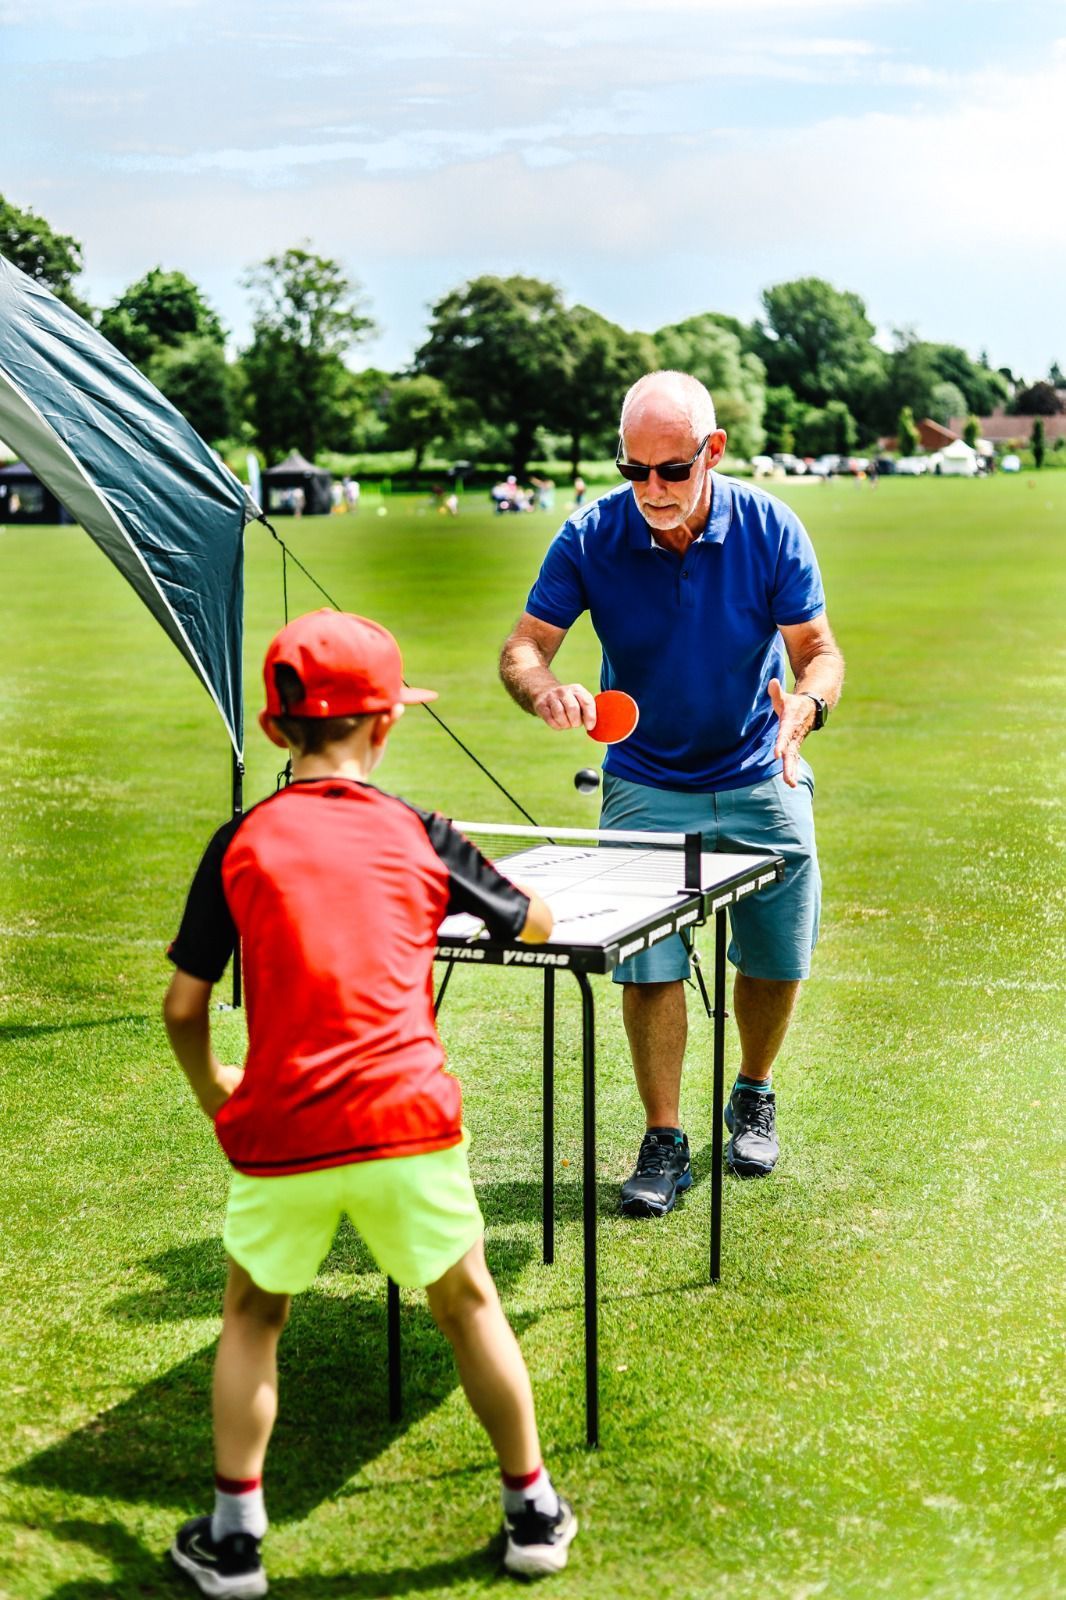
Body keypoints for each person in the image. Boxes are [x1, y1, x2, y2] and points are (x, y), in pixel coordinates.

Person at [164, 609, 577, 1594]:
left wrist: (217, 1089)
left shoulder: (239, 840)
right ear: (387, 725)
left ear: (274, 731)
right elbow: (536, 921)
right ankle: (531, 1510)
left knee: (253, 1312)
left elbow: (184, 1005)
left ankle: (234, 1540)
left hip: (283, 1122)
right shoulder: (421, 832)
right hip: (407, 1116)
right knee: (468, 1298)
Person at [499, 371, 844, 1218]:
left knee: (777, 952)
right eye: (633, 470)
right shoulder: (589, 536)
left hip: (762, 771)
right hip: (646, 780)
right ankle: (664, 1134)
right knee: (645, 961)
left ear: (712, 452)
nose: (650, 488)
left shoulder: (770, 527)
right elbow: (522, 649)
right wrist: (544, 689)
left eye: (671, 469)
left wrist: (808, 704)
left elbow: (819, 652)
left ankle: (754, 1090)